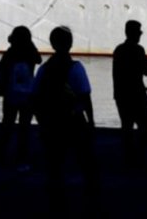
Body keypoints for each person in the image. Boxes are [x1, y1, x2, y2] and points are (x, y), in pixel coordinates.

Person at [32, 26, 98, 200]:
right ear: (70, 43)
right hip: (73, 120)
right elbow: (85, 96)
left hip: (51, 121)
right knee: (85, 161)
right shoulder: (75, 67)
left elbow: (35, 97)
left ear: (52, 43)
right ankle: (90, 196)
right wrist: (91, 121)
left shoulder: (44, 69)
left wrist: (41, 120)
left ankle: (55, 197)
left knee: (54, 162)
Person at [112, 20, 147, 167]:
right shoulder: (138, 50)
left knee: (126, 127)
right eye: (139, 31)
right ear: (133, 33)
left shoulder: (118, 50)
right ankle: (140, 157)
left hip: (121, 95)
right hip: (137, 95)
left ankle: (128, 158)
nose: (141, 33)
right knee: (145, 127)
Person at [0, 26, 42, 171]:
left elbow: (2, 67)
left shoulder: (10, 53)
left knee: (7, 126)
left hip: (11, 94)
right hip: (27, 95)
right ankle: (22, 160)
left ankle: (1, 159)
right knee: (24, 128)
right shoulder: (30, 53)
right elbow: (39, 60)